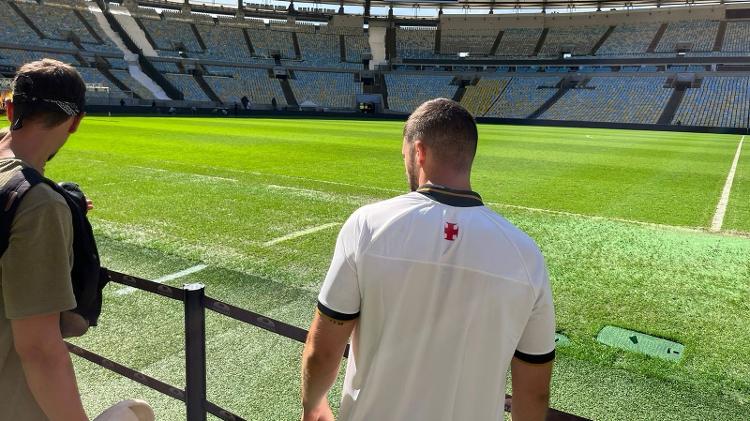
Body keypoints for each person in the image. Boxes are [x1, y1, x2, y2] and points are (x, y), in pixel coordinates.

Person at [301, 98, 556, 421]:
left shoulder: (368, 226)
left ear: (418, 151)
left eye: (405, 154)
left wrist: (313, 405)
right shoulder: (526, 256)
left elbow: (323, 351)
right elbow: (534, 392)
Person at [0, 58, 89, 421]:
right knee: (137, 410)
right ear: (76, 123)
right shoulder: (39, 205)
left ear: (9, 107)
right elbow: (39, 349)